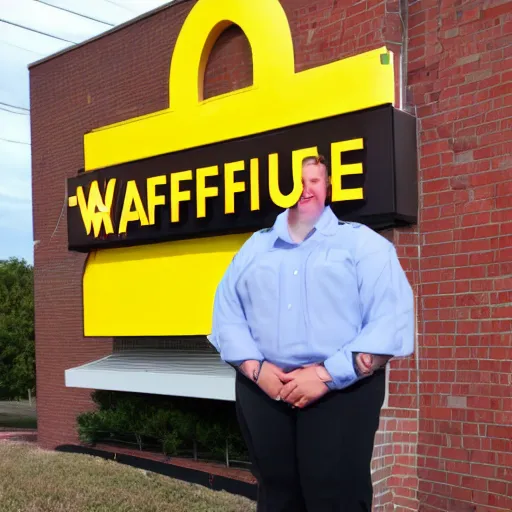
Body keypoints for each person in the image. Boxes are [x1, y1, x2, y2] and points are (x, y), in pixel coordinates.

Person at [209, 155, 414, 512]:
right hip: (264, 390)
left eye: (314, 181)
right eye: (297, 181)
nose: (305, 190)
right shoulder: (253, 249)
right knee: (277, 497)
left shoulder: (363, 245)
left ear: (329, 186)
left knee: (337, 500)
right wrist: (257, 370)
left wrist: (325, 375)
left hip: (342, 393)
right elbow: (226, 314)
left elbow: (390, 319)